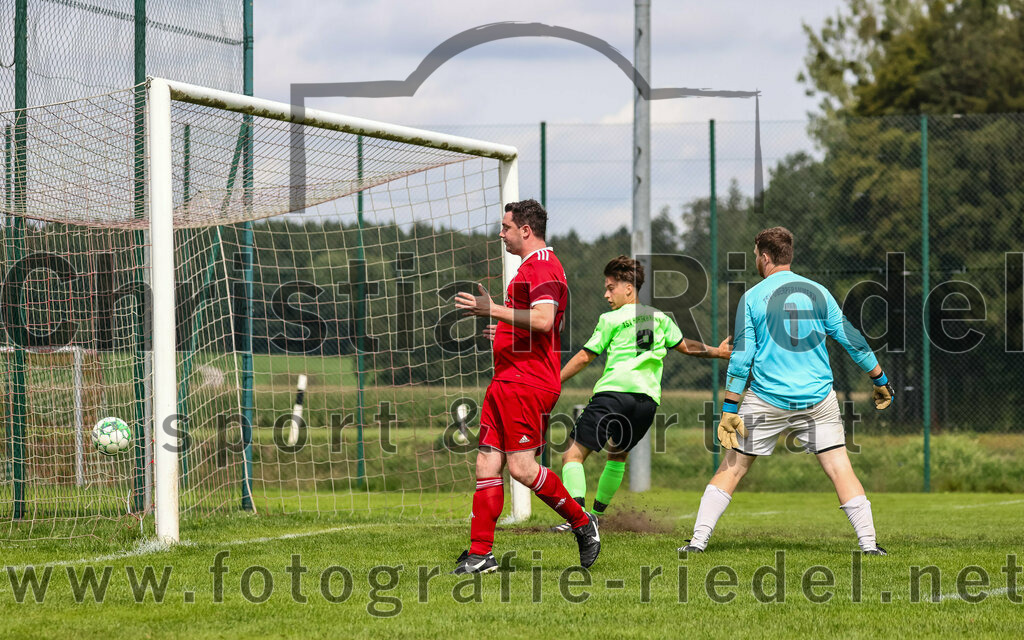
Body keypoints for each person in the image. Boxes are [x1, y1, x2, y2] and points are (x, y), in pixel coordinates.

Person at [678, 226, 895, 555]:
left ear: (765, 257)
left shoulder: (751, 298)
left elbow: (741, 360)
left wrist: (729, 411)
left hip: (766, 398)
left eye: (755, 256)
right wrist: (880, 381)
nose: (755, 261)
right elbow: (853, 340)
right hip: (818, 399)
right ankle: (869, 545)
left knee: (733, 466)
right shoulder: (819, 292)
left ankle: (697, 543)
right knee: (839, 467)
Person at [452, 199, 600, 574]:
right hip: (507, 379)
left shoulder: (545, 267)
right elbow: (533, 323)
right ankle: (480, 554)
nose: (500, 233)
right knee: (487, 462)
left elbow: (545, 320)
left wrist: (494, 311)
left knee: (521, 468)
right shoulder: (529, 269)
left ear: (525, 230)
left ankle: (583, 523)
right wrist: (503, 331)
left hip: (527, 382)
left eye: (505, 227)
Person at [550, 255, 731, 532]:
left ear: (628, 288)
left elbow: (586, 357)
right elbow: (685, 346)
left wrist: (555, 379)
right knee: (617, 455)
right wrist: (717, 352)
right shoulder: (659, 317)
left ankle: (579, 521)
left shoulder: (610, 319)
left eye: (611, 287)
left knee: (572, 456)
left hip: (613, 394)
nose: (606, 294)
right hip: (646, 403)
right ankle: (596, 516)